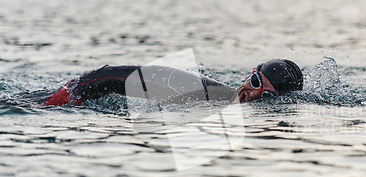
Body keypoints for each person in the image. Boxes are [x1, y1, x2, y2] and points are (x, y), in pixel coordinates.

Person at [41, 59, 303, 106]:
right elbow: (115, 75)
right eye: (255, 81)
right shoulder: (206, 93)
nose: (252, 94)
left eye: (266, 96)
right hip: (68, 102)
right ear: (250, 73)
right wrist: (60, 99)